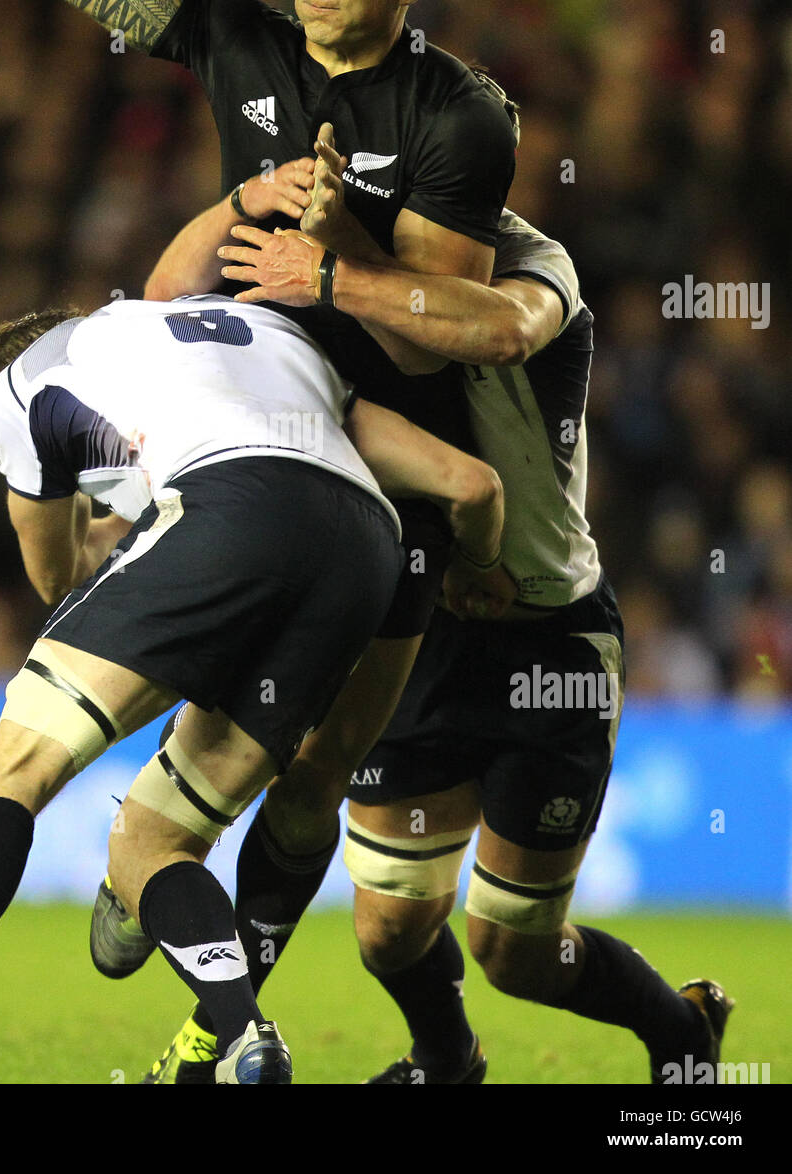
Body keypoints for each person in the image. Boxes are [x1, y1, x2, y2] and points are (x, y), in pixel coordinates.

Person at [32, 0, 522, 1078]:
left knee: (317, 772)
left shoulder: (456, 115)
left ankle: (217, 1016)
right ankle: (159, 844)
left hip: (393, 453)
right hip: (247, 423)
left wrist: (339, 251)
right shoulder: (237, 38)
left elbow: (438, 342)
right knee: (229, 698)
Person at [0, 292, 510, 1085]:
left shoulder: (22, 382)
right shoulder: (261, 334)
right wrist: (481, 571)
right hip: (365, 551)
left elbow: (51, 575)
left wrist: (113, 544)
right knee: (153, 841)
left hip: (226, 508)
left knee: (11, 767)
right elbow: (473, 486)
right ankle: (245, 1040)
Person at [133, 209, 732, 1085]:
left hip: (549, 641)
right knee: (387, 929)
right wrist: (251, 200)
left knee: (511, 946)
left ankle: (676, 1031)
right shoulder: (320, 269)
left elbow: (496, 333)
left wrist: (335, 267)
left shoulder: (530, 266)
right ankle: (448, 1060)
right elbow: (164, 304)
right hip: (419, 638)